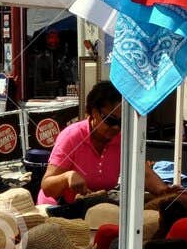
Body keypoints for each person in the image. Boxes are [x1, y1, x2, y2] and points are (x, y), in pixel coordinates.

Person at [37, 80, 167, 205]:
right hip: (58, 208)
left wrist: (165, 192)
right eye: (111, 120)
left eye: (121, 122)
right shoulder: (72, 136)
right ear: (94, 112)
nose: (116, 127)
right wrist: (67, 177)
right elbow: (47, 186)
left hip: (93, 209)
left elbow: (143, 173)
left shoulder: (123, 139)